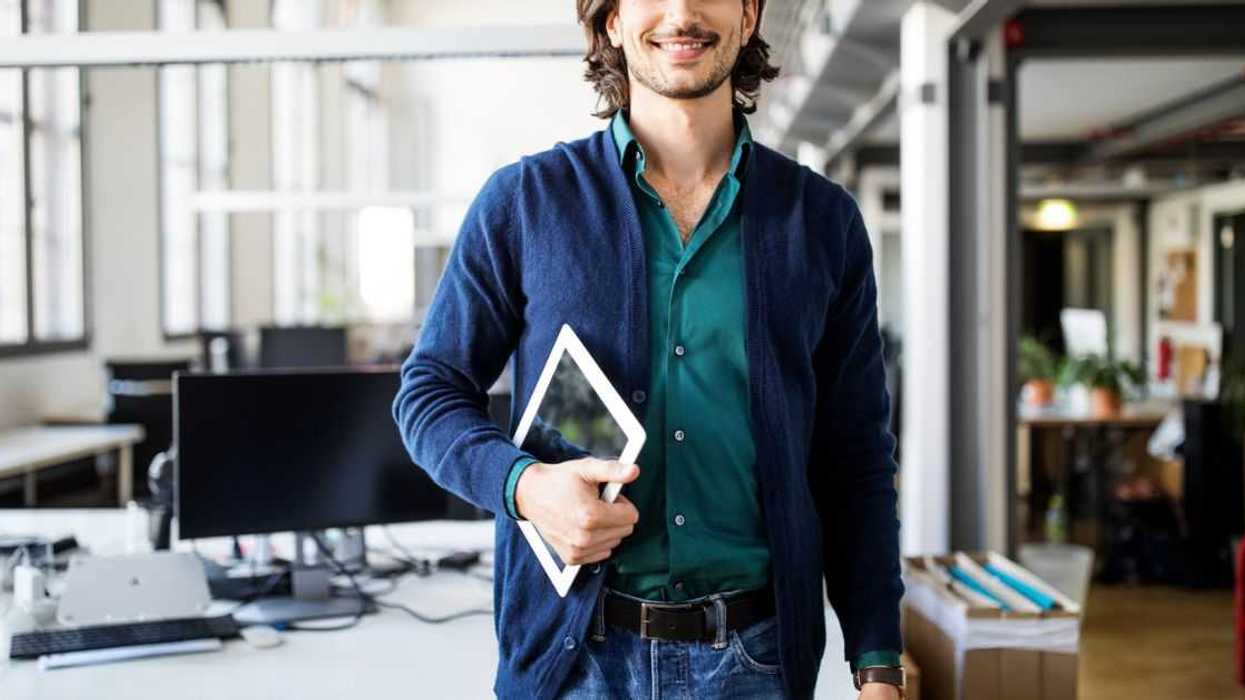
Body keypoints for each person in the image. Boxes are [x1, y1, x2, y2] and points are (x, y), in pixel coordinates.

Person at [392, 1, 904, 698]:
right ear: (609, 20)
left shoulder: (821, 221)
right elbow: (430, 392)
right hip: (574, 664)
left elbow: (856, 457)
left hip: (756, 663)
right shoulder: (525, 202)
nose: (682, 13)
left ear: (750, 14)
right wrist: (525, 487)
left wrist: (877, 660)